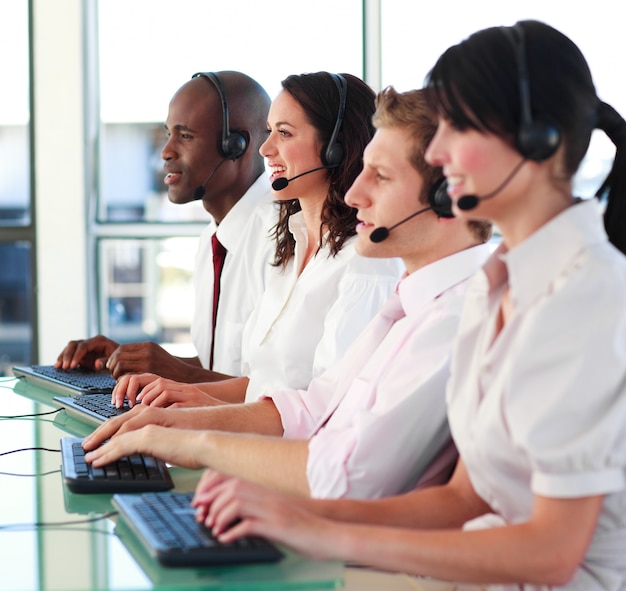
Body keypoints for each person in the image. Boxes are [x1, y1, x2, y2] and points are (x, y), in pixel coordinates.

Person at [190, 20, 626, 590]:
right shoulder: (496, 284)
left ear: (537, 141)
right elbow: (465, 499)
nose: (439, 151)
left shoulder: (585, 297)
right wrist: (298, 519)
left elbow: (551, 551)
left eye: (459, 127)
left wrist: (326, 534)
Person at [82, 87, 491, 500]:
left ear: (449, 193)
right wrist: (187, 415)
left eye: (381, 176)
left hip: (344, 532)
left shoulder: (450, 320)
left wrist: (196, 440)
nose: (354, 194)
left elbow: (348, 474)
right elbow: (314, 406)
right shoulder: (408, 304)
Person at [107, 72, 402, 406]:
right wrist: (169, 394)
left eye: (285, 133)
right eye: (270, 131)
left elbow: (323, 415)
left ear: (335, 148)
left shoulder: (365, 266)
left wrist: (182, 417)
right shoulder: (292, 246)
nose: (266, 148)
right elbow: (258, 385)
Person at [55, 71, 276, 383]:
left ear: (236, 145)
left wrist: (177, 374)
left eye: (185, 136)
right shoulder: (211, 240)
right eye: (168, 134)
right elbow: (222, 366)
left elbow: (280, 395)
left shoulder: (283, 240)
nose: (166, 151)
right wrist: (130, 359)